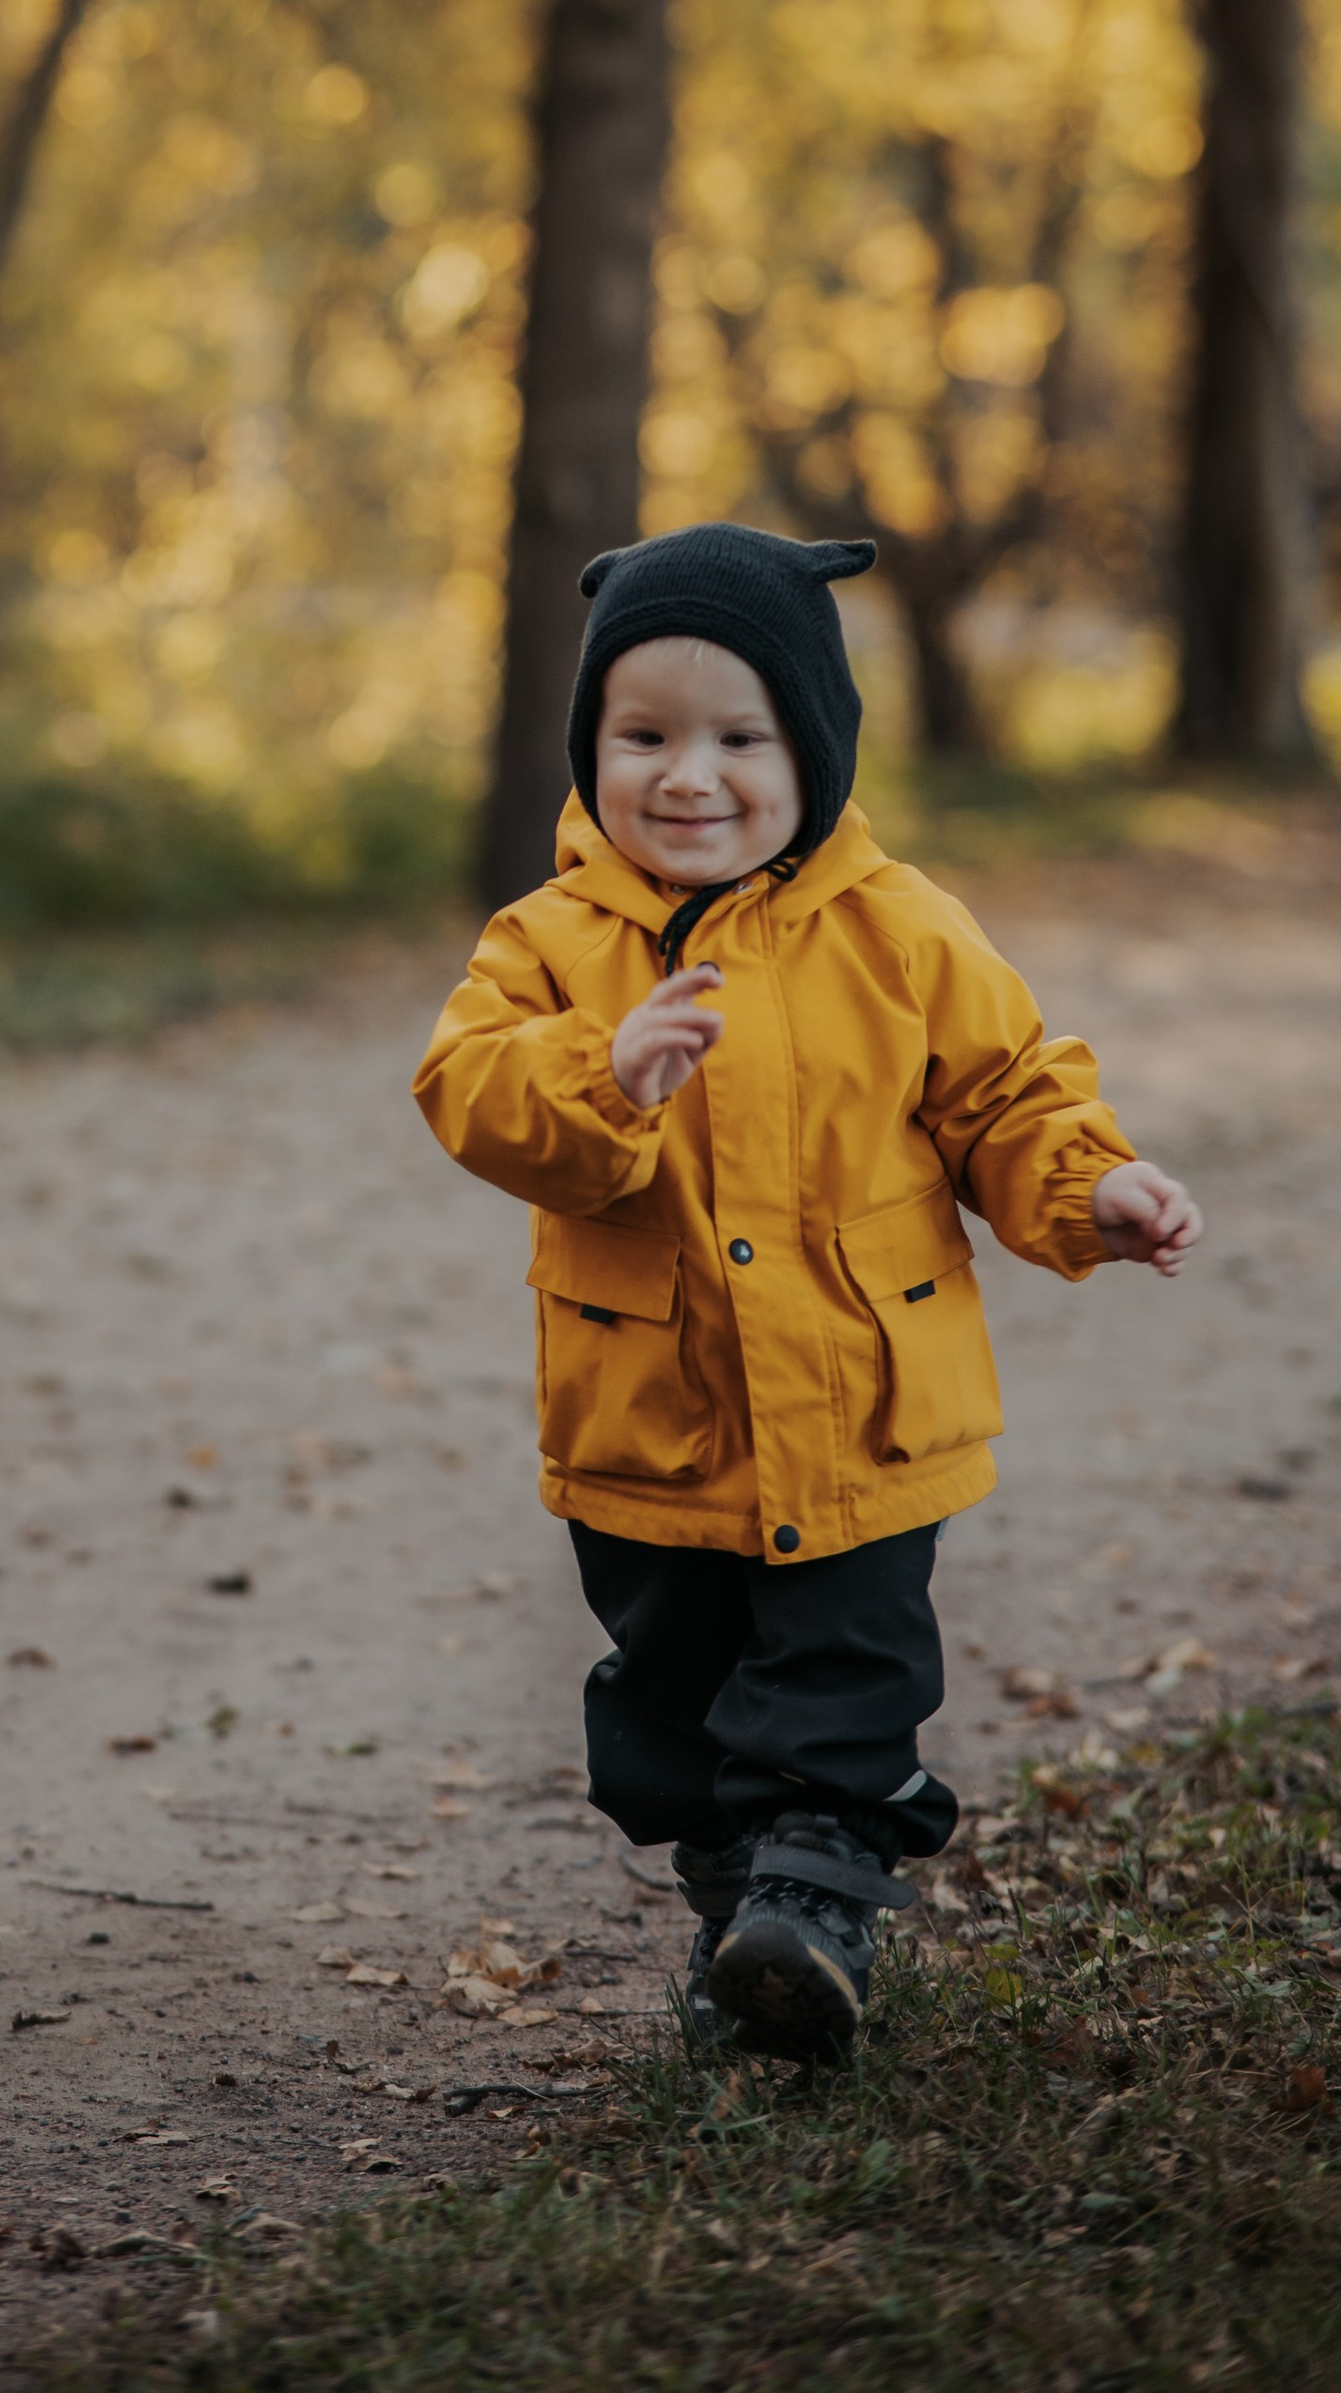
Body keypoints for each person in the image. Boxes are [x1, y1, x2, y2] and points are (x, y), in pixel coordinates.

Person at [412, 525, 1201, 2062]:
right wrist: (602, 1072)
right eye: (642, 737)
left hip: (863, 1405)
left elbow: (1009, 1096)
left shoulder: (899, 927)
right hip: (651, 1418)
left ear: (815, 747)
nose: (687, 775)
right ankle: (746, 1918)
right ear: (591, 749)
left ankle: (817, 1899)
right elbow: (465, 1089)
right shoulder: (552, 946)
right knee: (677, 1704)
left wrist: (1090, 1187)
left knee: (842, 1677)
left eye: (737, 737)